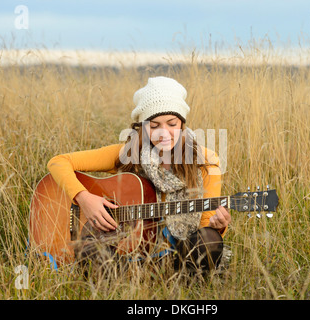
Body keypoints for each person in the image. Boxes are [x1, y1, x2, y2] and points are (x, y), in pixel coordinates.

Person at [47, 76, 231, 272]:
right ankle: (119, 278)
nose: (164, 133)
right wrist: (84, 198)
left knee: (209, 240)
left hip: (175, 253)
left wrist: (218, 226)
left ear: (182, 124)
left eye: (172, 124)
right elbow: (59, 162)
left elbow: (204, 227)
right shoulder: (127, 154)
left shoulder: (205, 161)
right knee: (93, 251)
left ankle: (181, 286)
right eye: (154, 126)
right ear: (143, 127)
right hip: (127, 249)